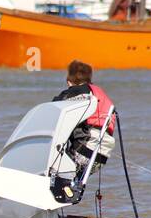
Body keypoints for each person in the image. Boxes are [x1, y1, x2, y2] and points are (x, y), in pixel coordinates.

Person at [50, 59, 117, 203]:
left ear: (69, 81)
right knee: (67, 179)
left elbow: (54, 107)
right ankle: (68, 192)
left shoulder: (77, 92)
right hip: (101, 155)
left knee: (51, 172)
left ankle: (57, 197)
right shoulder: (99, 93)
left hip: (85, 148)